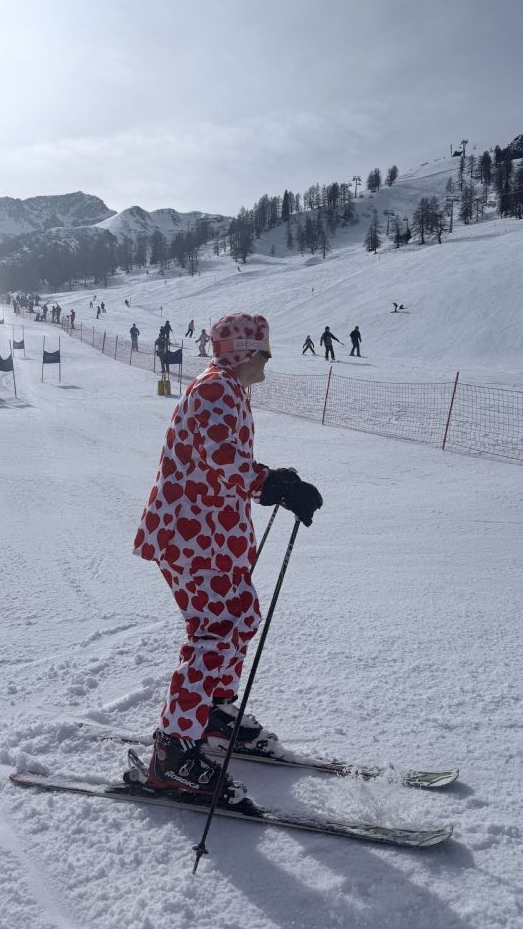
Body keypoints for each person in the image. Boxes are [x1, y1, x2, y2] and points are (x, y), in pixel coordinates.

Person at [133, 313, 322, 804]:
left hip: (213, 535)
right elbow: (224, 460)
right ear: (244, 353)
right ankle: (173, 754)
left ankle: (213, 714)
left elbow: (221, 456)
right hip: (191, 535)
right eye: (264, 353)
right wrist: (271, 484)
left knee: (240, 615)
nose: (268, 362)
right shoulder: (217, 388)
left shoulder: (229, 388)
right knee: (214, 631)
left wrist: (274, 478)